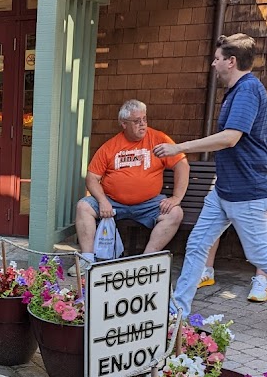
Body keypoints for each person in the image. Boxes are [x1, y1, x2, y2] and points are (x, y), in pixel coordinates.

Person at [155, 33, 267, 312]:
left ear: (231, 62)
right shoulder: (236, 91)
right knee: (196, 245)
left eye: (217, 59)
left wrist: (178, 147)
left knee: (260, 255)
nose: (212, 64)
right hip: (223, 192)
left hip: (247, 192)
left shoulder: (247, 90)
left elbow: (230, 138)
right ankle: (178, 311)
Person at [75, 99, 190, 262]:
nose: (142, 124)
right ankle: (86, 260)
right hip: (113, 202)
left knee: (175, 213)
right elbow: (92, 177)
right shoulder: (110, 146)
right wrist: (102, 200)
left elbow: (181, 165)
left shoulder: (158, 139)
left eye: (144, 119)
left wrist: (176, 198)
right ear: (123, 123)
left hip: (148, 204)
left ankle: (145, 261)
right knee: (83, 206)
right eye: (137, 121)